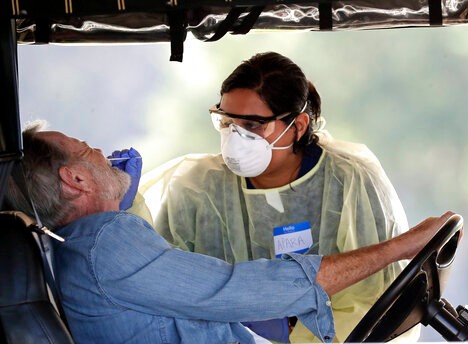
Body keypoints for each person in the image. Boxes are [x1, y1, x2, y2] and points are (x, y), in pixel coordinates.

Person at [5, 122, 454, 344]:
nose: (103, 153)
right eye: (88, 152)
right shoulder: (105, 242)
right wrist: (403, 245)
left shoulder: (81, 250)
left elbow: (200, 296)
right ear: (75, 181)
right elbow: (238, 288)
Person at [139, 52, 412, 342]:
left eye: (253, 125)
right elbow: (163, 281)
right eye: (226, 122)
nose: (234, 137)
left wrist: (300, 332)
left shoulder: (349, 182)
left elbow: (375, 296)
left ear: (299, 126)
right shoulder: (197, 188)